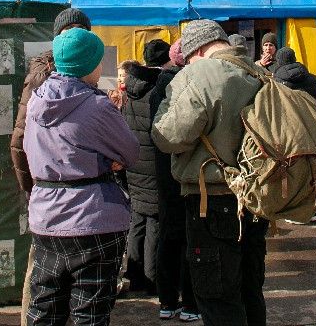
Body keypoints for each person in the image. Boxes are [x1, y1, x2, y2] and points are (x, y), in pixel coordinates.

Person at [152, 20, 268, 326]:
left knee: (217, 297)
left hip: (213, 202)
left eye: (189, 58)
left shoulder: (201, 74)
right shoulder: (260, 72)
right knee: (250, 290)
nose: (188, 64)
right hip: (257, 200)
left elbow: (168, 137)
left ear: (199, 50)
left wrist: (166, 106)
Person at [24, 27, 140, 326]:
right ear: (91, 64)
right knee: (90, 315)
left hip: (45, 218)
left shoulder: (35, 102)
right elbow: (129, 153)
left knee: (45, 311)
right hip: (93, 220)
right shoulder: (98, 106)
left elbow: (30, 152)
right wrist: (105, 160)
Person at [11, 7, 92, 326]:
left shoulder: (87, 69)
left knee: (53, 280)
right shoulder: (44, 72)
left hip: (71, 198)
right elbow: (19, 141)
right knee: (43, 278)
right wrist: (36, 189)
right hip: (55, 196)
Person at [150, 40, 200, 322]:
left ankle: (167, 302)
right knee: (192, 240)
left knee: (167, 238)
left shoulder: (158, 87)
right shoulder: (186, 87)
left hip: (163, 174)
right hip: (185, 174)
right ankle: (191, 304)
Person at [121, 40, 170, 296]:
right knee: (154, 223)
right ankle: (151, 281)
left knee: (137, 219)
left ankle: (134, 276)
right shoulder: (158, 90)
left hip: (133, 163)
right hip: (154, 165)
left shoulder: (129, 89)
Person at [273, 47, 316, 125]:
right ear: (294, 59)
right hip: (313, 125)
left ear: (278, 62)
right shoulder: (314, 79)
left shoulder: (276, 83)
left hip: (291, 128)